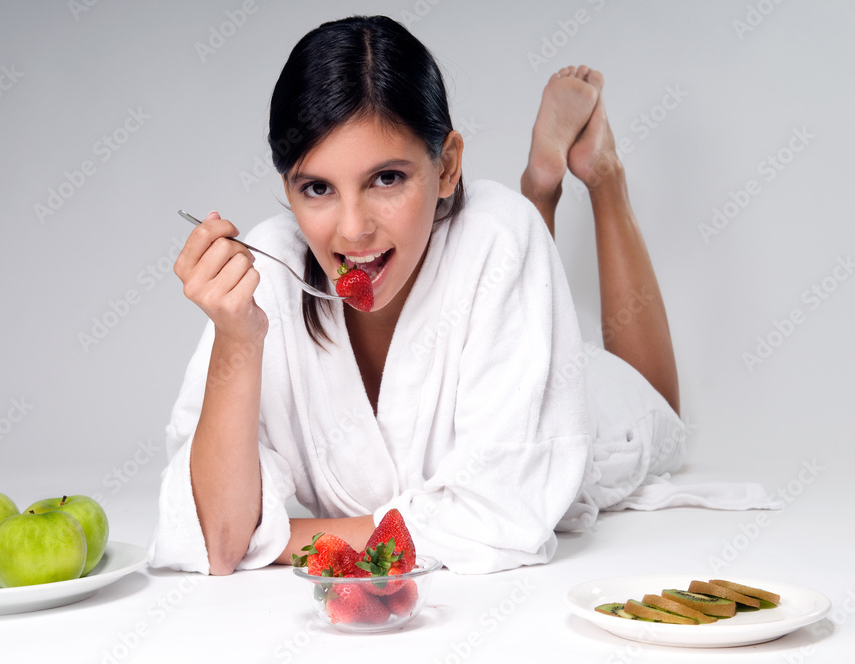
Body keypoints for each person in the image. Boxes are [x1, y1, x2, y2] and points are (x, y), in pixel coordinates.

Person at [148, 15, 685, 576]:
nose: (353, 230)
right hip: (497, 317)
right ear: (288, 188)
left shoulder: (498, 234)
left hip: (572, 410)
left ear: (448, 165)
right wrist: (238, 338)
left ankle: (598, 176)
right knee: (508, 250)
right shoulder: (268, 273)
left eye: (386, 179)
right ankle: (542, 194)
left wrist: (279, 538)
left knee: (661, 408)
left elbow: (499, 519)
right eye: (318, 188)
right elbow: (215, 536)